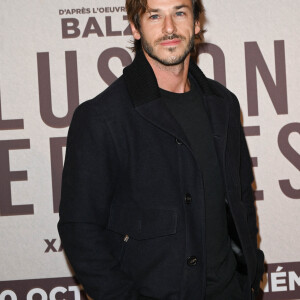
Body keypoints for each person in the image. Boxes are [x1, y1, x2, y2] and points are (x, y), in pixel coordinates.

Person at [58, 0, 264, 299]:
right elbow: (80, 229)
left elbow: (241, 198)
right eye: (155, 15)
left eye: (179, 13)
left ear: (195, 23)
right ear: (136, 27)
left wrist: (251, 275)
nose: (169, 28)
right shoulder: (102, 117)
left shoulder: (223, 105)